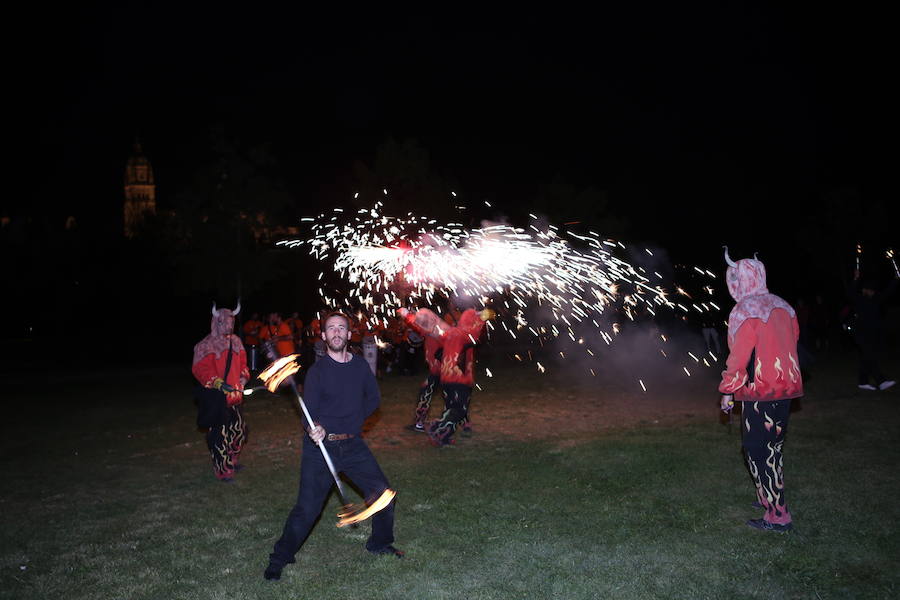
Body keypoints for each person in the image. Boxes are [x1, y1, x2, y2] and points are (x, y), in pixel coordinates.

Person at [264, 312, 402, 582]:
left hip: (352, 445)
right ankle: (280, 557)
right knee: (307, 510)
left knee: (384, 495)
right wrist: (315, 427)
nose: (337, 332)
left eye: (342, 328)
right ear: (324, 336)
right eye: (331, 329)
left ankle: (379, 543)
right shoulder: (318, 372)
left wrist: (352, 422)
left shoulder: (361, 366)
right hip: (321, 450)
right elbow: (308, 412)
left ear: (350, 336)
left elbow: (373, 399)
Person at [719, 249, 803, 533]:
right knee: (772, 448)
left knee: (757, 450)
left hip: (758, 392)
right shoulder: (784, 305)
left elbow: (739, 356)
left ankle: (777, 515)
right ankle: (766, 496)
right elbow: (793, 340)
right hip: (786, 388)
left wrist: (728, 389)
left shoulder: (745, 310)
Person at [399, 305, 492, 447]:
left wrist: (408, 316)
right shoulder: (466, 335)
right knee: (457, 408)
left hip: (446, 377)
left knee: (454, 406)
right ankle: (438, 428)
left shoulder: (448, 333)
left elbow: (425, 326)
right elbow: (475, 331)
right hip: (458, 378)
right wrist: (482, 317)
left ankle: (445, 435)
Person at [192, 302, 249, 482]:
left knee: (239, 432)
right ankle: (223, 469)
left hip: (235, 397)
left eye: (232, 322)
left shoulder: (237, 342)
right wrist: (218, 383)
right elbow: (200, 370)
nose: (229, 325)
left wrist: (242, 379)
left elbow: (243, 366)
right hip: (217, 399)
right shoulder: (205, 345)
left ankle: (231, 460)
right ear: (217, 322)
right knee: (219, 436)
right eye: (225, 322)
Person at [846, 268, 898, 391]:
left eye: (872, 290)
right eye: (868, 289)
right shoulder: (859, 299)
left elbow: (888, 292)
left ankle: (863, 382)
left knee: (866, 357)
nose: (871, 292)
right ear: (864, 290)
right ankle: (881, 381)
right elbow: (850, 293)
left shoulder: (876, 299)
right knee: (870, 356)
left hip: (873, 334)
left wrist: (895, 280)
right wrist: (855, 279)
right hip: (860, 334)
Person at [401, 307, 446, 433]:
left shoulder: (432, 330)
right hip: (441, 371)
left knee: (425, 395)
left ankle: (420, 424)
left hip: (439, 371)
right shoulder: (436, 329)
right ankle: (464, 423)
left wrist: (406, 315)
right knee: (448, 397)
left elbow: (417, 326)